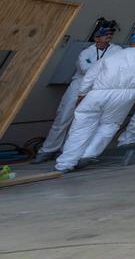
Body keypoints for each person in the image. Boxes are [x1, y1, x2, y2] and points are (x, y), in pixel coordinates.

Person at [54, 30, 135, 172]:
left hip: (98, 93)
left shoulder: (113, 55)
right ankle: (88, 154)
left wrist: (82, 95)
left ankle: (65, 164)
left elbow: (90, 76)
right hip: (126, 94)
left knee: (80, 127)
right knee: (109, 125)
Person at [35, 25, 120, 162]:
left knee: (82, 122)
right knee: (63, 118)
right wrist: (105, 68)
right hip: (78, 86)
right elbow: (86, 69)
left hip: (97, 88)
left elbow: (117, 68)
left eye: (110, 34)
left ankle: (66, 151)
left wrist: (102, 70)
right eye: (105, 34)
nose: (108, 37)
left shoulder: (116, 50)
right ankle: (48, 150)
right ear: (97, 38)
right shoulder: (86, 53)